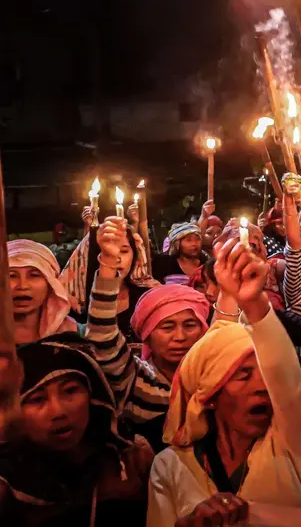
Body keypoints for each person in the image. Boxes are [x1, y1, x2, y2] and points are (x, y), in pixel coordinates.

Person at [146, 237, 301, 526]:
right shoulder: (169, 466)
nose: (263, 386)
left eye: (266, 375)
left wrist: (254, 303)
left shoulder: (292, 443)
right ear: (211, 393)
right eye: (243, 374)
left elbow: (286, 378)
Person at [0, 334, 155, 526]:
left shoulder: (132, 459)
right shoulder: (7, 480)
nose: (58, 412)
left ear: (93, 395)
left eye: (70, 391)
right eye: (37, 399)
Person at [89, 219, 210, 450]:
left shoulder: (214, 376)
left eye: (190, 325)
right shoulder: (135, 379)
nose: (180, 336)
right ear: (147, 336)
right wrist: (107, 265)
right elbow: (102, 336)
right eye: (167, 327)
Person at [7, 238, 76, 343]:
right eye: (11, 276)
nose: (22, 285)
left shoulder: (74, 334)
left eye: (34, 275)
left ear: (51, 284)